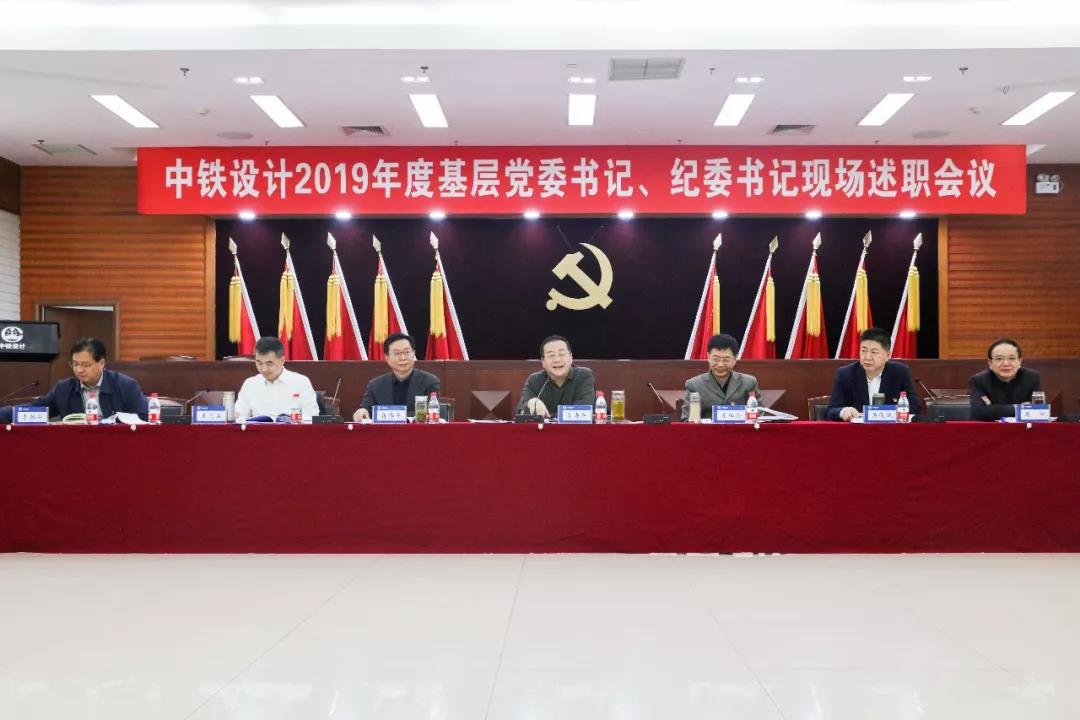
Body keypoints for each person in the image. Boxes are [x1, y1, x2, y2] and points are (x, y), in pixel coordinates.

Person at [0, 336, 148, 423]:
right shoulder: (64, 389)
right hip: (77, 447)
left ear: (101, 363)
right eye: (75, 364)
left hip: (118, 445)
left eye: (85, 365)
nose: (79, 370)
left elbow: (145, 416)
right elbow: (35, 410)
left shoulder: (125, 385)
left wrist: (113, 421)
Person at [826, 327, 922, 421]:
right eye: (863, 351)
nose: (867, 357)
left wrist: (891, 412)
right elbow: (831, 410)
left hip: (889, 429)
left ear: (888, 355)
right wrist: (843, 411)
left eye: (874, 352)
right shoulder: (845, 374)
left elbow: (914, 406)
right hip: (857, 429)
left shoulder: (900, 372)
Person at [353, 333, 440, 421]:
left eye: (407, 352)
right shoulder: (375, 385)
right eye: (397, 353)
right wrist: (361, 412)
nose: (403, 358)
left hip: (416, 429)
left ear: (413, 354)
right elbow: (365, 409)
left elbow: (431, 412)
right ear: (387, 358)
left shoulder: (429, 382)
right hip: (385, 430)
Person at [234, 336, 319, 421]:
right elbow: (239, 416)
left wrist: (291, 419)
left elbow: (311, 417)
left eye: (269, 363)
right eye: (259, 363)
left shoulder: (301, 382)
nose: (264, 369)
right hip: (260, 429)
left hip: (291, 429)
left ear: (282, 360)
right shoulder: (250, 384)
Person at [681, 333, 761, 420]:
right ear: (708, 357)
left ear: (735, 359)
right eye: (716, 359)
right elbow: (687, 419)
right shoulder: (694, 385)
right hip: (708, 429)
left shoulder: (749, 383)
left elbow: (760, 415)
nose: (720, 364)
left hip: (739, 428)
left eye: (726, 360)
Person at [516, 335, 596, 417]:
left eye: (561, 354)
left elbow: (583, 412)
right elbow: (519, 414)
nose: (557, 360)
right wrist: (529, 404)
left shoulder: (584, 376)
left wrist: (548, 417)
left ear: (571, 357)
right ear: (543, 362)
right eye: (551, 355)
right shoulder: (534, 380)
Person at [969, 338, 1043, 421]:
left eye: (1011, 358)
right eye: (999, 359)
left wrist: (991, 408)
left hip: (1023, 428)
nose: (1006, 364)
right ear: (990, 363)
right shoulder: (979, 380)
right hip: (992, 428)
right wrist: (1019, 408)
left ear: (1020, 361)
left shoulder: (1032, 378)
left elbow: (1039, 411)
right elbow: (978, 412)